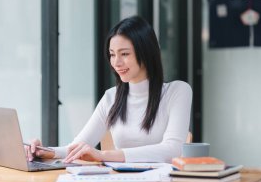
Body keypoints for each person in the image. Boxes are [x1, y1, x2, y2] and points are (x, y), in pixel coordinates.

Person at [26, 15, 192, 163]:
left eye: (124, 54)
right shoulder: (111, 97)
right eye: (112, 54)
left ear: (146, 53)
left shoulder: (178, 91)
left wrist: (104, 155)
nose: (116, 63)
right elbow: (77, 146)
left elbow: (172, 150)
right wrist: (44, 152)